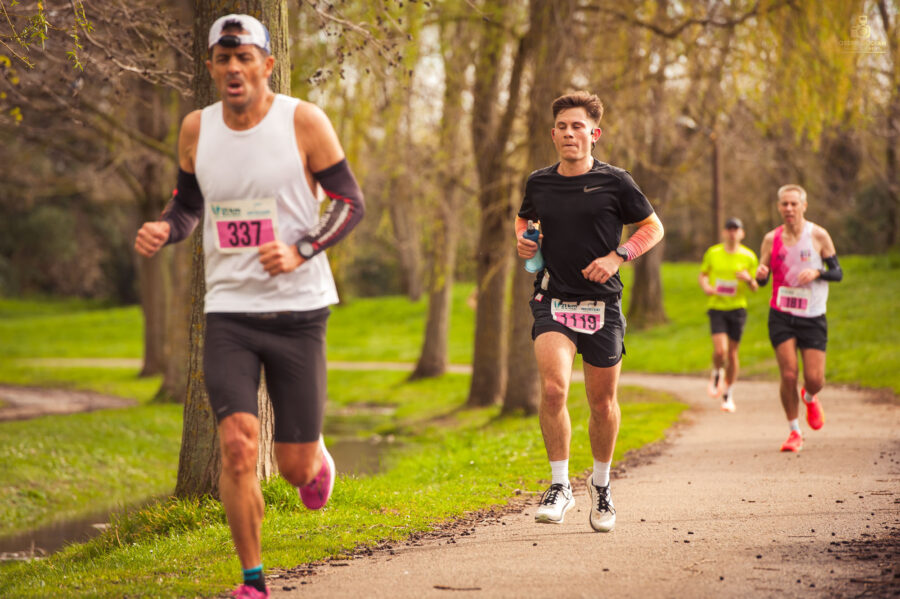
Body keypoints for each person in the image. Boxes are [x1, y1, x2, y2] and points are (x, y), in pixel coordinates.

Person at [134, 14, 364, 599]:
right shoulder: (195, 129)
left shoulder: (303, 121)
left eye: (244, 57)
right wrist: (166, 227)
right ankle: (254, 582)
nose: (233, 68)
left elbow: (348, 201)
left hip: (300, 311)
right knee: (236, 447)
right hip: (230, 311)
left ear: (266, 63)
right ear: (211, 67)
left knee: (290, 467)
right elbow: (188, 204)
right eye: (222, 59)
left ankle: (315, 462)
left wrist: (302, 248)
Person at [516, 91, 664, 532]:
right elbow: (525, 220)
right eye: (561, 126)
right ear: (553, 133)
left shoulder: (617, 181)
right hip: (553, 300)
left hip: (603, 306)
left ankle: (600, 486)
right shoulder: (539, 182)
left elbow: (653, 226)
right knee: (554, 389)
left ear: (594, 134)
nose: (568, 133)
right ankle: (560, 486)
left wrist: (618, 256)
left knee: (601, 403)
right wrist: (525, 242)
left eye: (577, 126)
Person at [755, 184, 841, 453]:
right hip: (781, 314)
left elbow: (837, 273)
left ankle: (810, 396)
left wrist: (818, 273)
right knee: (789, 373)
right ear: (779, 207)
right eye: (784, 204)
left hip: (812, 314)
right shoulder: (771, 239)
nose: (789, 209)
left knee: (815, 379)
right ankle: (794, 431)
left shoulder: (818, 235)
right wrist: (759, 274)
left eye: (794, 204)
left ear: (804, 206)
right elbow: (764, 277)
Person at [698, 217, 759, 412]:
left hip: (737, 308)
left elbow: (756, 287)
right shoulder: (713, 253)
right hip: (717, 306)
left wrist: (749, 279)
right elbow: (703, 275)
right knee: (720, 351)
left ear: (742, 233)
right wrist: (706, 286)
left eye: (736, 229)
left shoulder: (749, 256)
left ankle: (728, 395)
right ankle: (717, 372)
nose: (733, 233)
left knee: (732, 354)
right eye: (729, 229)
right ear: (725, 232)